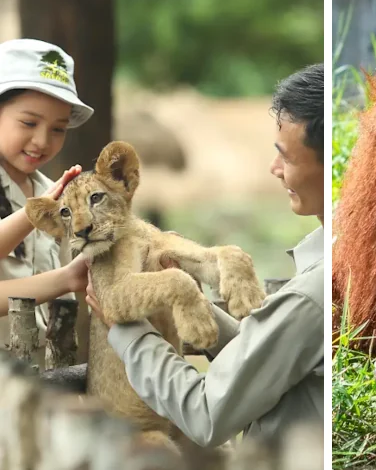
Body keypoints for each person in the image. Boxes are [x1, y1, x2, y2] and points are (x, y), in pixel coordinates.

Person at [84, 64, 325, 447]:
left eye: (287, 158)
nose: (273, 169)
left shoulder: (311, 295)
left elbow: (207, 414)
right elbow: (264, 358)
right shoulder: (322, 265)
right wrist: (192, 295)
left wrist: (127, 333)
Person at [0, 38, 94, 344]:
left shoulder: (49, 191)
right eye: (29, 122)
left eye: (58, 129)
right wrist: (65, 278)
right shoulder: (47, 199)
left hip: (43, 378)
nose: (42, 141)